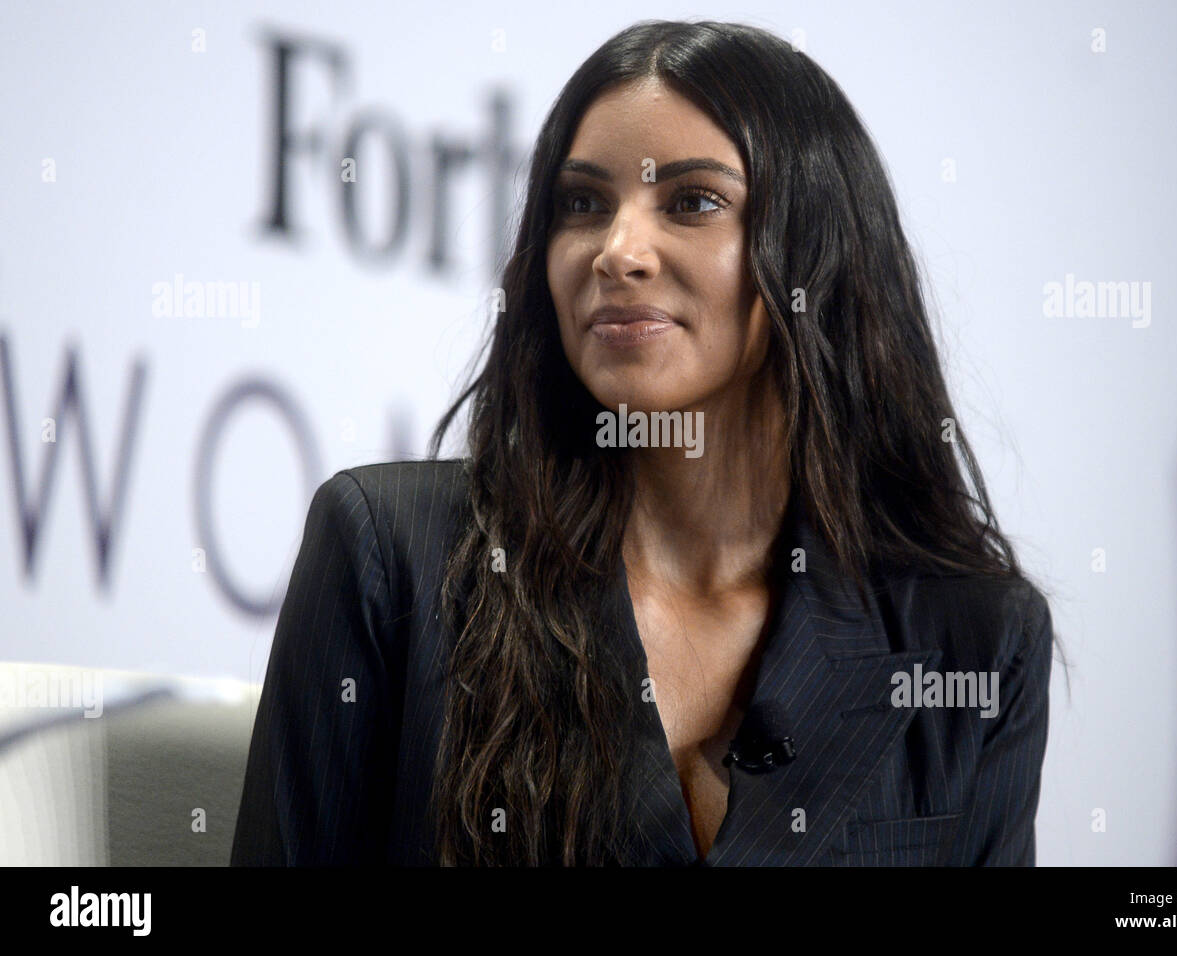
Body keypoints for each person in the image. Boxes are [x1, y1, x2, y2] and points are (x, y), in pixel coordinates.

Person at [231, 18, 1057, 867]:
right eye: (582, 204)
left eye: (692, 201)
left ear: (820, 252)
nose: (617, 251)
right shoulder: (388, 551)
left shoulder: (976, 640)